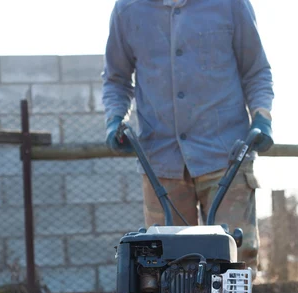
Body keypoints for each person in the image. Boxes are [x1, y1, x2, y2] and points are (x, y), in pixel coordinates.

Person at [102, 0, 273, 277]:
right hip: (160, 162)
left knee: (234, 262)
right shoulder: (128, 10)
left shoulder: (230, 5)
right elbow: (116, 79)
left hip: (226, 156)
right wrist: (114, 119)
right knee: (167, 267)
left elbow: (256, 70)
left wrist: (262, 116)